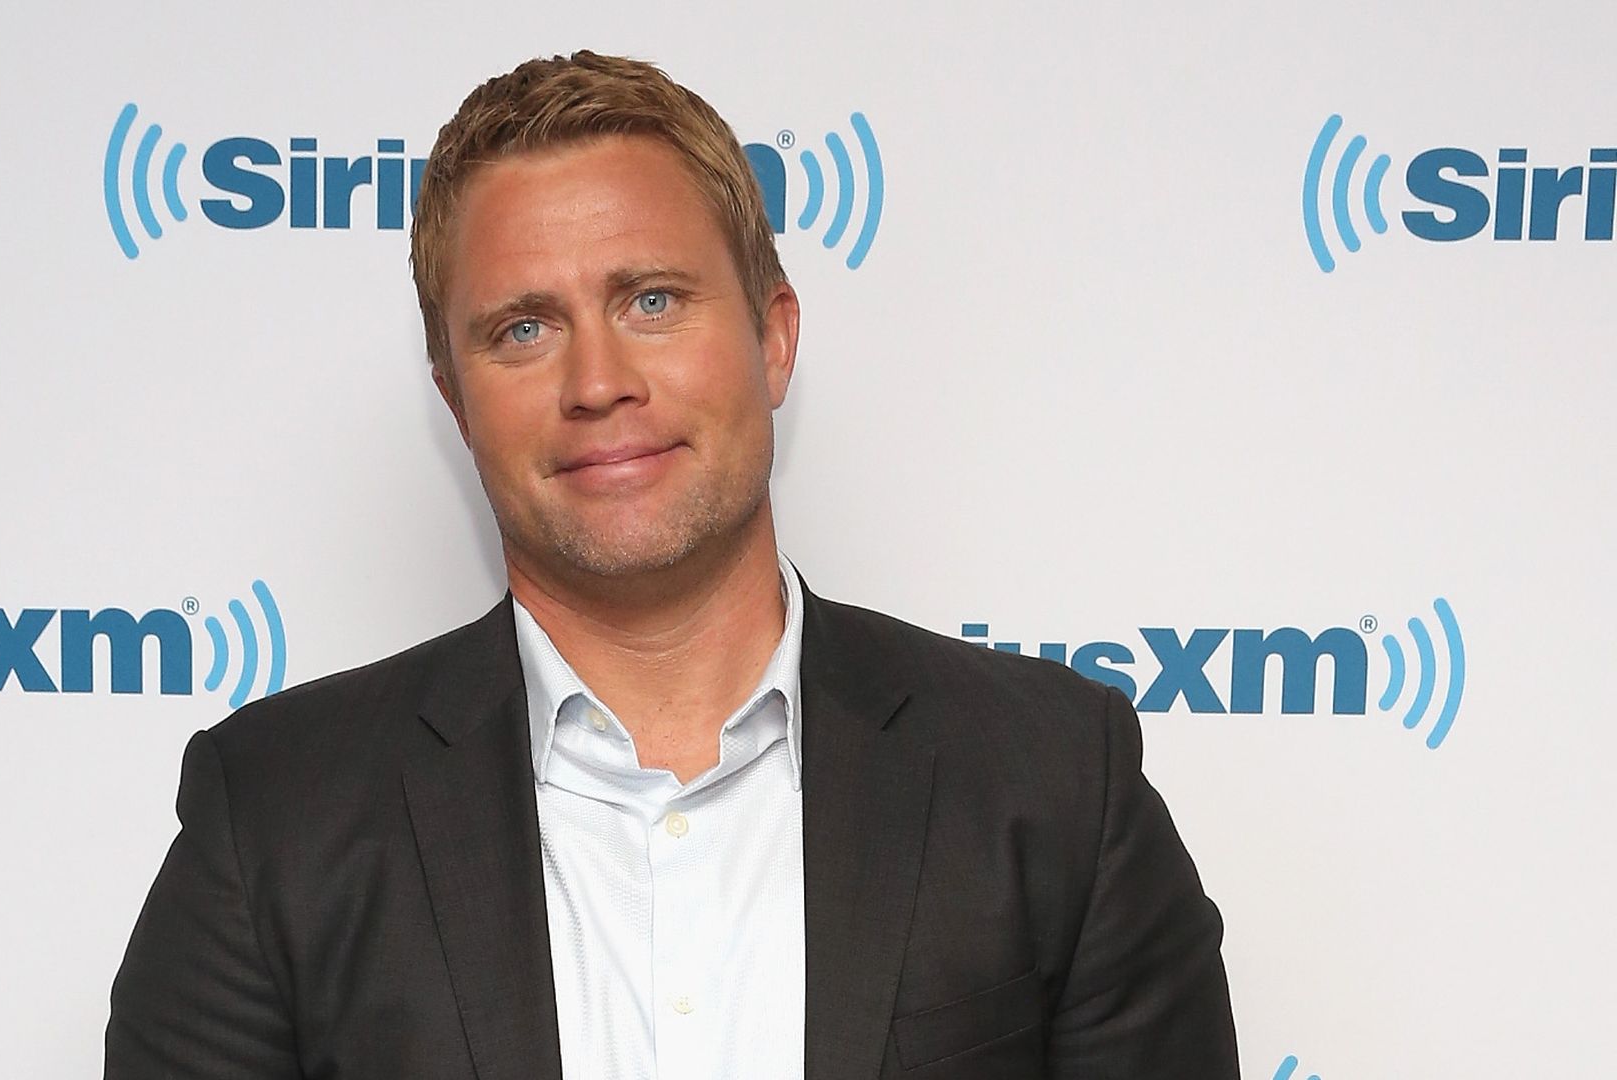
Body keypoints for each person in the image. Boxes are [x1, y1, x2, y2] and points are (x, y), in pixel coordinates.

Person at [105, 50, 1239, 1079]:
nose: (599, 380)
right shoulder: (274, 822)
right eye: (522, 329)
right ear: (453, 400)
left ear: (775, 336)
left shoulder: (1051, 783)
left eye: (652, 300)